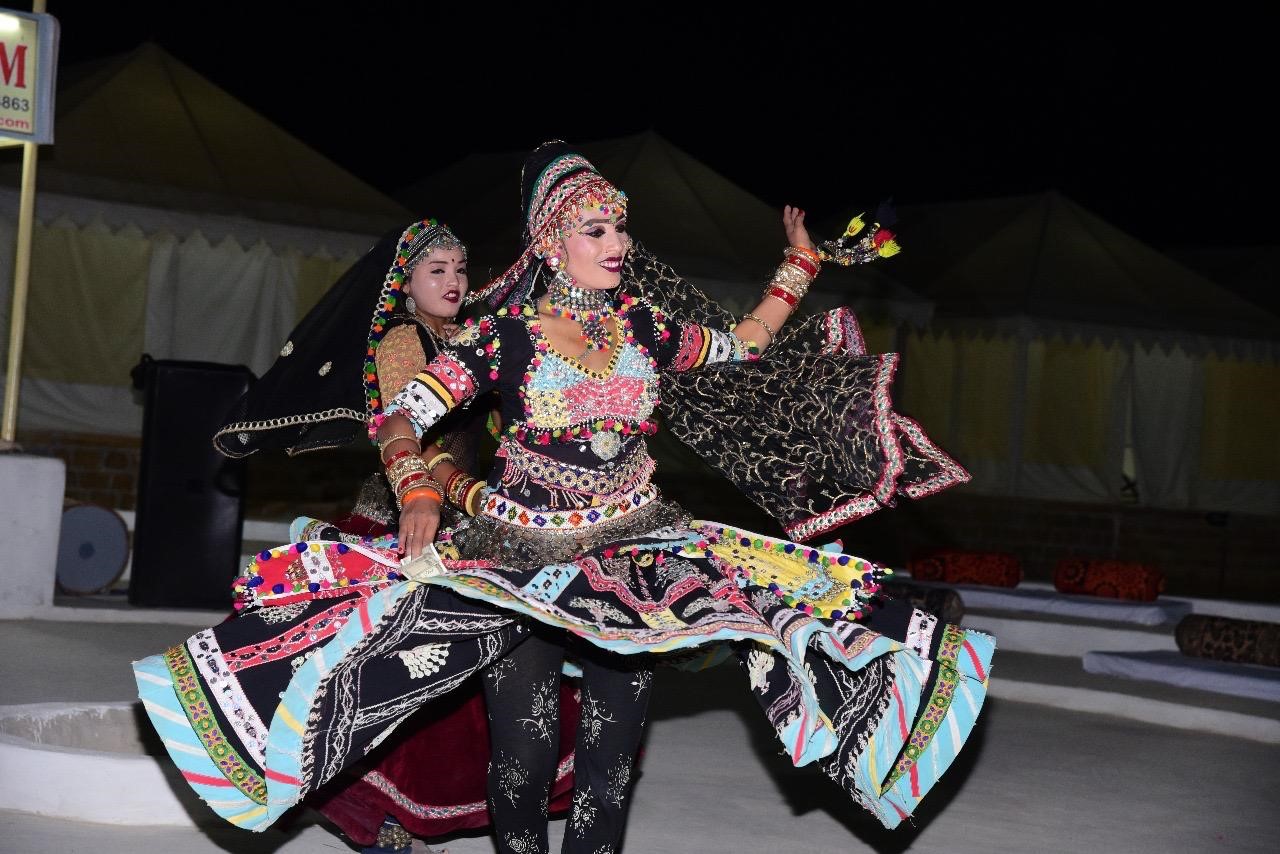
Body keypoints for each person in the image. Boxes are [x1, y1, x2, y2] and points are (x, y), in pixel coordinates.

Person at [135, 144, 993, 852]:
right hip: (520, 554)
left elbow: (744, 343)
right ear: (552, 241)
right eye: (595, 227)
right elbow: (401, 413)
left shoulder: (645, 329)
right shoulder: (500, 338)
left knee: (614, 755)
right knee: (526, 748)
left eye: (620, 224)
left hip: (636, 549)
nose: (616, 240)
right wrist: (416, 489)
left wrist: (800, 265)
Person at [211, 219, 580, 853]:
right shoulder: (404, 340)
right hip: (402, 520)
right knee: (394, 671)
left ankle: (496, 796)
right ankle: (373, 811)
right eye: (436, 270)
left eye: (460, 270)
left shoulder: (473, 338)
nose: (454, 281)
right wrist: (429, 493)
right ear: (405, 286)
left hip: (475, 520)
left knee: (497, 667)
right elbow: (403, 426)